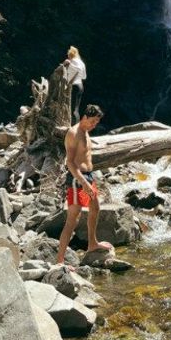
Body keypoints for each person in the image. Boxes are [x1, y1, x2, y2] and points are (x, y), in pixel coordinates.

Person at [56, 104, 113, 267]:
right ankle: (60, 261)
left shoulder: (85, 131)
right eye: (93, 121)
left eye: (97, 122)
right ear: (85, 117)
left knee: (95, 208)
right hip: (77, 179)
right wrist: (83, 182)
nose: (94, 125)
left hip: (88, 176)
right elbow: (70, 163)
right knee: (73, 220)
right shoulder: (73, 133)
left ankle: (92, 243)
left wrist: (88, 180)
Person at [63, 46, 86, 122]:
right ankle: (76, 125)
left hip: (73, 86)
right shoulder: (82, 63)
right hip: (80, 86)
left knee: (70, 108)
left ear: (70, 55)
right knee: (76, 109)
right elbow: (84, 77)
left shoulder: (70, 61)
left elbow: (63, 73)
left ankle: (70, 125)